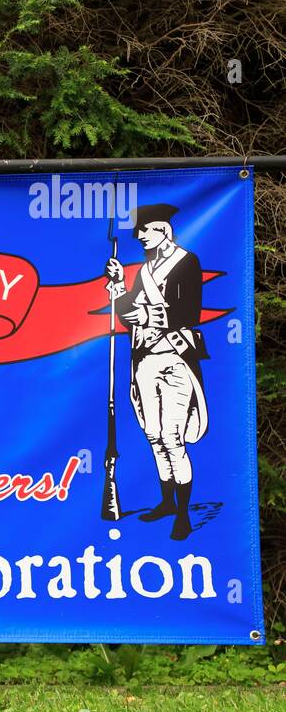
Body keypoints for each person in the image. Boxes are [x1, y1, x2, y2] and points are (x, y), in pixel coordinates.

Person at [104, 203, 208, 540]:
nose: (140, 236)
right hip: (145, 358)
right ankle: (166, 502)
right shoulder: (145, 271)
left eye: (145, 231)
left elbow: (190, 311)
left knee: (173, 438)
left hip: (175, 358)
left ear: (162, 230)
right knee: (153, 434)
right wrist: (119, 285)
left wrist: (147, 317)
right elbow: (125, 314)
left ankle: (183, 515)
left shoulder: (186, 262)